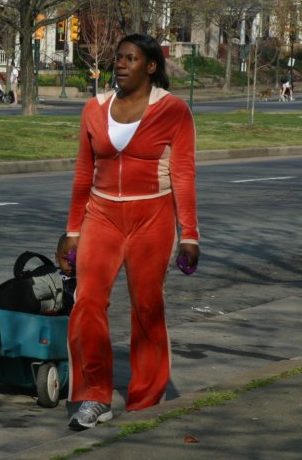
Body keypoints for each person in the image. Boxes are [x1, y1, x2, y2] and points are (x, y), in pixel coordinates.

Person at [58, 33, 200, 430]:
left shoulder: (173, 111)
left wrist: (189, 235)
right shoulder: (94, 108)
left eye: (130, 58)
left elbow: (183, 175)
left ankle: (145, 399)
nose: (120, 64)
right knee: (87, 302)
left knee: (147, 306)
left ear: (150, 66)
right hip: (101, 214)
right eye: (118, 58)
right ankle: (93, 395)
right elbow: (83, 173)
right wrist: (72, 230)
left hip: (152, 215)